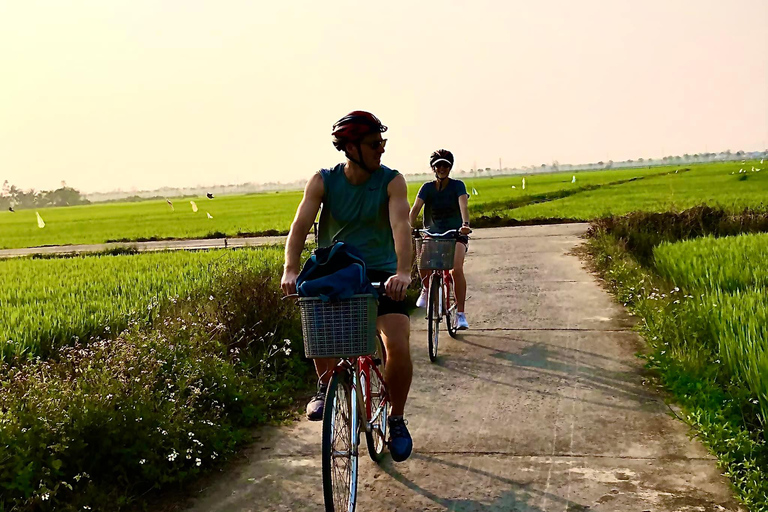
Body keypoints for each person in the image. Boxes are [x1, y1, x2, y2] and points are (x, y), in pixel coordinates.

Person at [280, 111, 414, 462]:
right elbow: (299, 225)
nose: (380, 149)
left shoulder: (391, 181)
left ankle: (396, 419)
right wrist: (291, 269)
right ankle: (326, 385)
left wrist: (403, 272)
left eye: (382, 143)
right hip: (337, 272)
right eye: (374, 144)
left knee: (397, 342)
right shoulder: (323, 181)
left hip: (383, 276)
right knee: (317, 315)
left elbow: (402, 226)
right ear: (350, 148)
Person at [409, 149, 472, 329]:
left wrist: (465, 224)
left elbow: (463, 205)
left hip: (456, 233)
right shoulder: (427, 188)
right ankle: (427, 288)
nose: (442, 168)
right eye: (438, 165)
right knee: (423, 264)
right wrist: (406, 226)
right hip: (433, 233)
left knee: (456, 270)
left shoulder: (457, 185)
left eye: (445, 165)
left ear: (450, 167)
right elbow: (415, 209)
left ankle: (460, 314)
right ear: (433, 168)